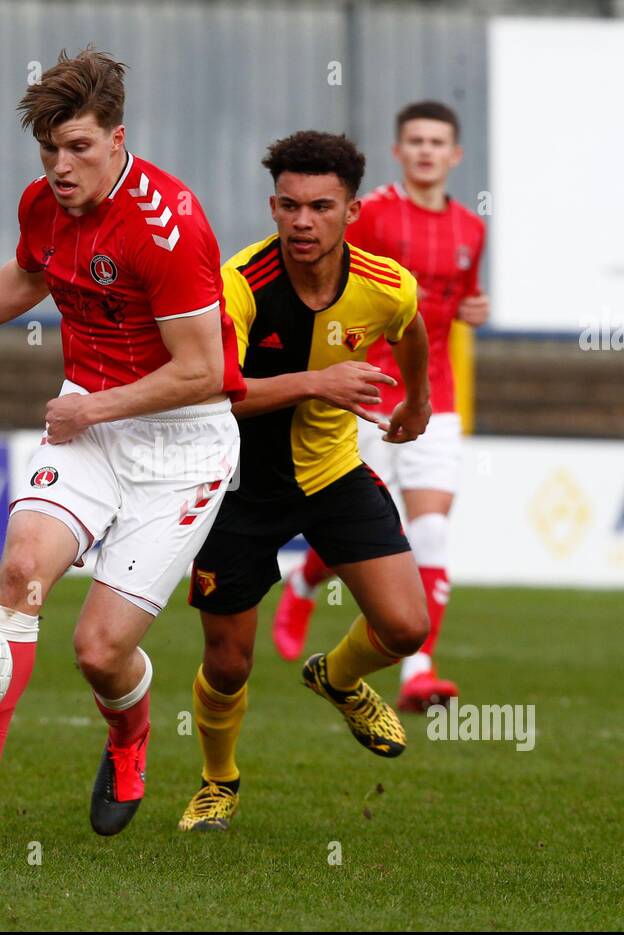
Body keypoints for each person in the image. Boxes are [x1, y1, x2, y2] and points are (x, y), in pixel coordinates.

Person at [0, 48, 245, 844]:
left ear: (118, 138)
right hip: (88, 421)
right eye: (49, 150)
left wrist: (97, 405)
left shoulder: (168, 225)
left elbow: (204, 371)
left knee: (99, 651)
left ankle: (128, 736)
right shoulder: (45, 203)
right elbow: (27, 274)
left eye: (78, 148)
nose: (61, 167)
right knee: (18, 574)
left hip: (181, 445)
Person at [177, 131, 431, 832]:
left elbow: (411, 327)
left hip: (333, 474)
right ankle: (218, 781)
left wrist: (419, 399)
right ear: (273, 205)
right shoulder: (238, 285)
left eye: (321, 206)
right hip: (238, 488)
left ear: (352, 210)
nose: (301, 222)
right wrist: (318, 381)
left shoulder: (385, 284)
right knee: (228, 664)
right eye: (288, 205)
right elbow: (213, 392)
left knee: (408, 625)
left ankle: (338, 676)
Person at [272, 101, 488, 713]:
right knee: (369, 534)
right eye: (415, 140)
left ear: (454, 155)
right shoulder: (371, 216)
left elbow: (455, 300)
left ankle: (419, 670)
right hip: (366, 394)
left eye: (437, 141)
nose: (425, 150)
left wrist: (475, 309)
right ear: (399, 151)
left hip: (435, 399)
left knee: (432, 530)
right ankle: (308, 578)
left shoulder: (472, 229)